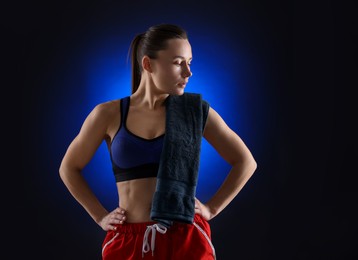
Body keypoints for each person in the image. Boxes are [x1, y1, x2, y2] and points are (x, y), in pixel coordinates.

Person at [59, 23, 257, 260]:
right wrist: (100, 216)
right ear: (148, 64)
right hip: (129, 241)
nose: (188, 72)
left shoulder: (196, 112)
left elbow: (246, 161)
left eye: (189, 62)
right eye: (178, 62)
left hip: (185, 238)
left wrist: (211, 208)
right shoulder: (107, 114)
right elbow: (69, 168)